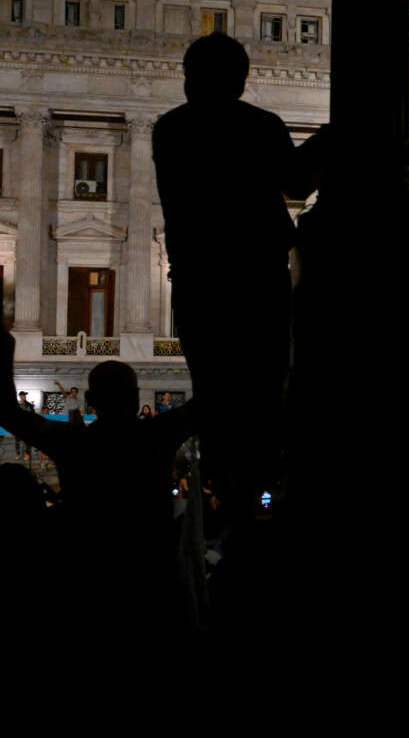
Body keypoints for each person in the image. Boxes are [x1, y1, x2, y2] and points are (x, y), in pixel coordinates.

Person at [152, 32, 317, 526]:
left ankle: (229, 499)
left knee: (216, 397)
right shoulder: (258, 126)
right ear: (240, 81)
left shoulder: (169, 130)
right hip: (256, 283)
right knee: (264, 395)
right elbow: (298, 182)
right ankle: (259, 501)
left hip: (199, 286)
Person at [0, 327, 201, 641]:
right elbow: (207, 403)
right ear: (136, 398)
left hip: (88, 582)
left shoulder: (72, 442)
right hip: (151, 585)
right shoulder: (156, 436)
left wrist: (4, 349)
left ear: (91, 400)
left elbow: (9, 413)